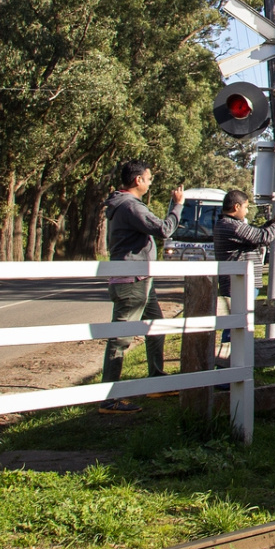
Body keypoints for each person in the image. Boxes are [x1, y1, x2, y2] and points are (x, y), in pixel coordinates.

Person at [99, 160, 183, 414]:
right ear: (138, 181)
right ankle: (109, 398)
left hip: (140, 280)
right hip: (132, 281)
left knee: (155, 327)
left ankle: (156, 379)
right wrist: (178, 205)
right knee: (121, 338)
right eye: (148, 179)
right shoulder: (130, 206)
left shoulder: (123, 204)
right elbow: (164, 229)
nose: (149, 183)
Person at [213, 190, 275, 262]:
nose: (247, 211)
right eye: (246, 207)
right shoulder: (232, 226)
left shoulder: (226, 223)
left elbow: (256, 238)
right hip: (239, 276)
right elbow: (263, 237)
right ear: (237, 207)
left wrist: (273, 222)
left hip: (240, 276)